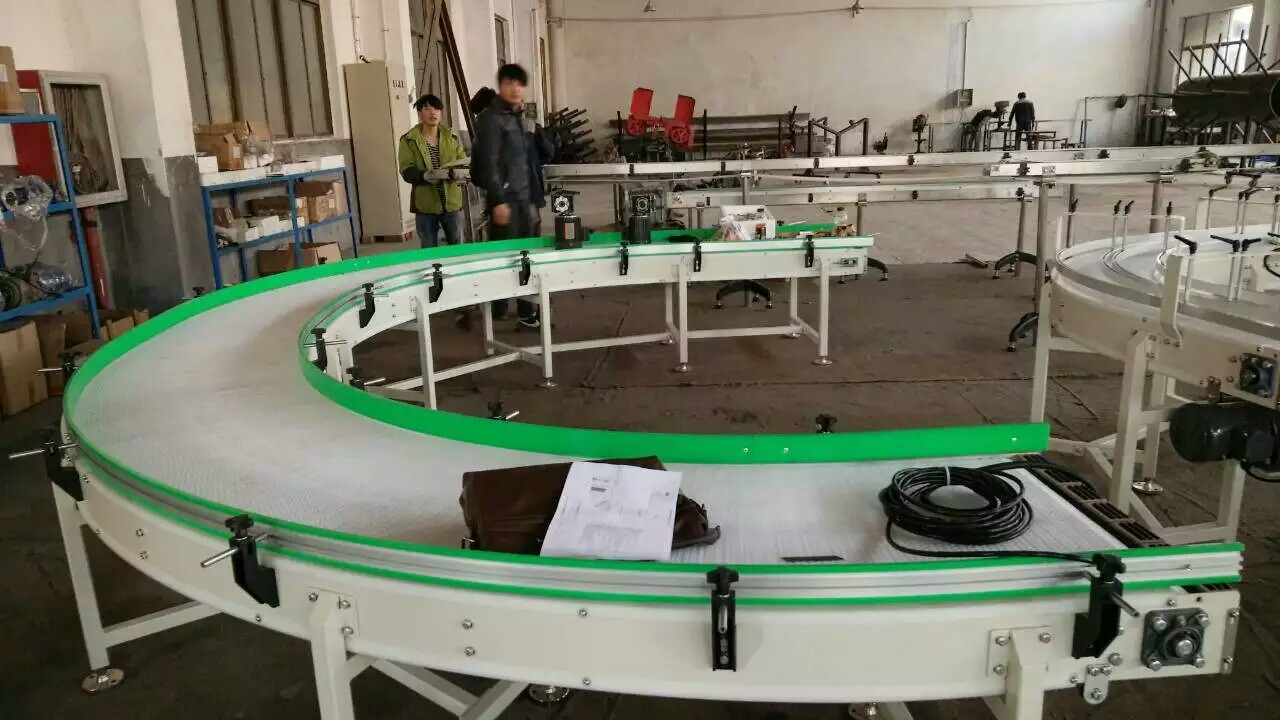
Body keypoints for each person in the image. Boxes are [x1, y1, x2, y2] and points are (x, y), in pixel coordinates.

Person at [473, 64, 539, 327]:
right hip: (505, 200)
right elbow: (488, 163)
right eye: (509, 83)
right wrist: (498, 200)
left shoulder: (517, 117)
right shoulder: (491, 119)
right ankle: (497, 307)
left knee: (527, 257)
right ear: (500, 86)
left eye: (520, 84)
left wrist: (531, 201)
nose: (515, 89)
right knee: (503, 258)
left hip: (522, 199)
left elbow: (524, 163)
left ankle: (526, 312)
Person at [399, 94, 466, 248]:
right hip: (425, 206)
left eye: (436, 109)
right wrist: (424, 176)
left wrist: (457, 173)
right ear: (420, 113)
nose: (433, 113)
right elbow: (406, 169)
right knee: (429, 248)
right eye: (427, 109)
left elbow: (462, 163)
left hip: (452, 204)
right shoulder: (409, 140)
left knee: (457, 247)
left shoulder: (451, 138)